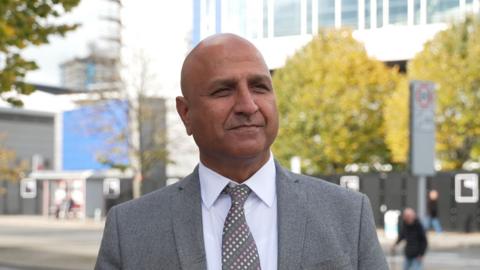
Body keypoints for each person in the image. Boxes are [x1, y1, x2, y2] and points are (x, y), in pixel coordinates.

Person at [95, 33, 387, 270]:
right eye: (223, 91)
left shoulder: (347, 214)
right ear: (186, 114)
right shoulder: (131, 229)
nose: (248, 105)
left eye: (260, 87)